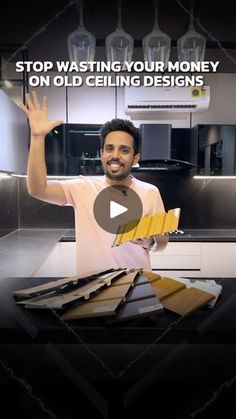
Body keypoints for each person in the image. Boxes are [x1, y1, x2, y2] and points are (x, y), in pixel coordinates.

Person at [20, 91, 168, 275]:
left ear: (135, 157)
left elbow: (163, 241)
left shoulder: (150, 192)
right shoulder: (81, 188)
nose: (115, 155)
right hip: (91, 290)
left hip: (137, 288)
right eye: (109, 148)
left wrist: (150, 242)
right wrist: (37, 137)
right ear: (101, 153)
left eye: (124, 150)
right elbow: (37, 189)